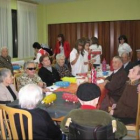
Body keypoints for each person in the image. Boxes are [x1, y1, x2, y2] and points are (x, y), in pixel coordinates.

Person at [60, 83, 127, 139]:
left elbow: (64, 128)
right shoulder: (104, 116)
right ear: (97, 99)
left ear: (79, 100)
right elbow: (122, 132)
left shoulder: (72, 114)